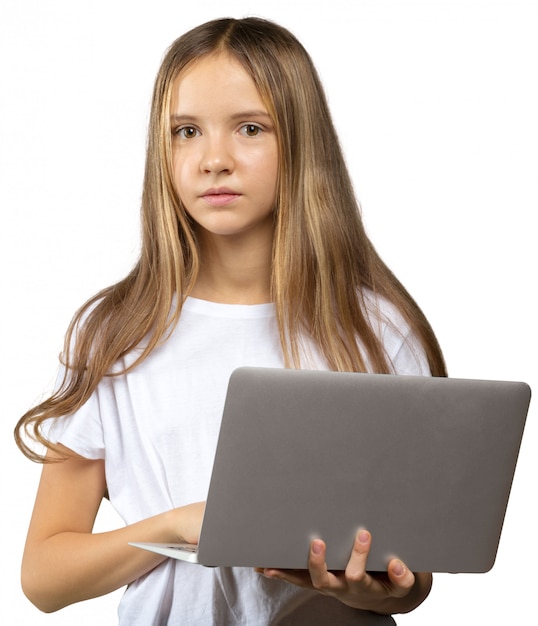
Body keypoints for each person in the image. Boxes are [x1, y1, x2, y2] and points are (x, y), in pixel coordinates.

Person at [15, 16, 447, 625]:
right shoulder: (116, 333)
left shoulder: (376, 329)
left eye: (249, 128)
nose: (213, 160)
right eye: (186, 131)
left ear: (300, 142)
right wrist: (179, 525)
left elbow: (414, 578)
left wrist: (372, 590)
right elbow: (44, 578)